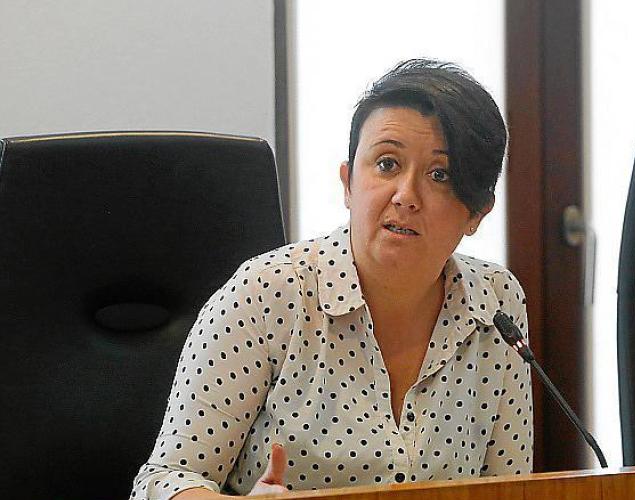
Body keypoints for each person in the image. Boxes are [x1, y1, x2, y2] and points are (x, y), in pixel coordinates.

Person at [130, 59, 533, 500]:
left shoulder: (497, 304)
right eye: (387, 164)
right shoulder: (267, 294)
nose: (405, 196)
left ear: (477, 212)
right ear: (348, 183)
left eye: (440, 175)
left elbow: (511, 491)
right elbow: (164, 480)